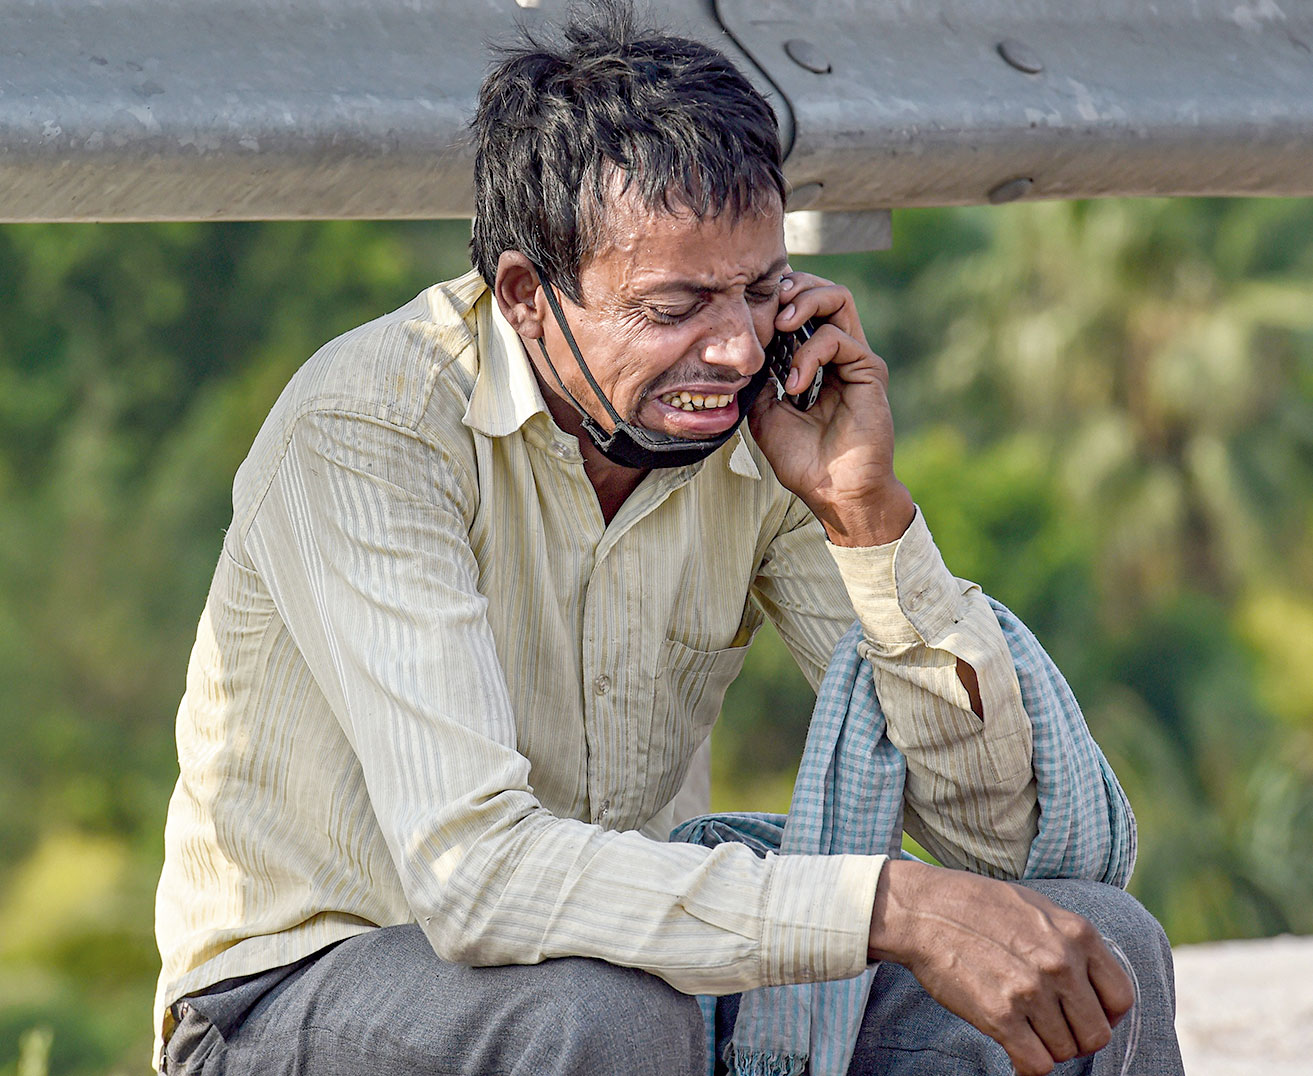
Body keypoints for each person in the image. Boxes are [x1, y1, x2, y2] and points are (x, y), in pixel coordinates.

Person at [153, 4, 1184, 1074]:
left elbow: (1007, 850)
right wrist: (887, 901)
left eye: (754, 290)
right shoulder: (371, 429)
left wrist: (862, 514)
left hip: (633, 969)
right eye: (674, 304)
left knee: (1097, 951)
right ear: (525, 297)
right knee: (607, 1017)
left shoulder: (766, 425)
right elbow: (475, 878)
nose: (734, 347)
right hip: (294, 996)